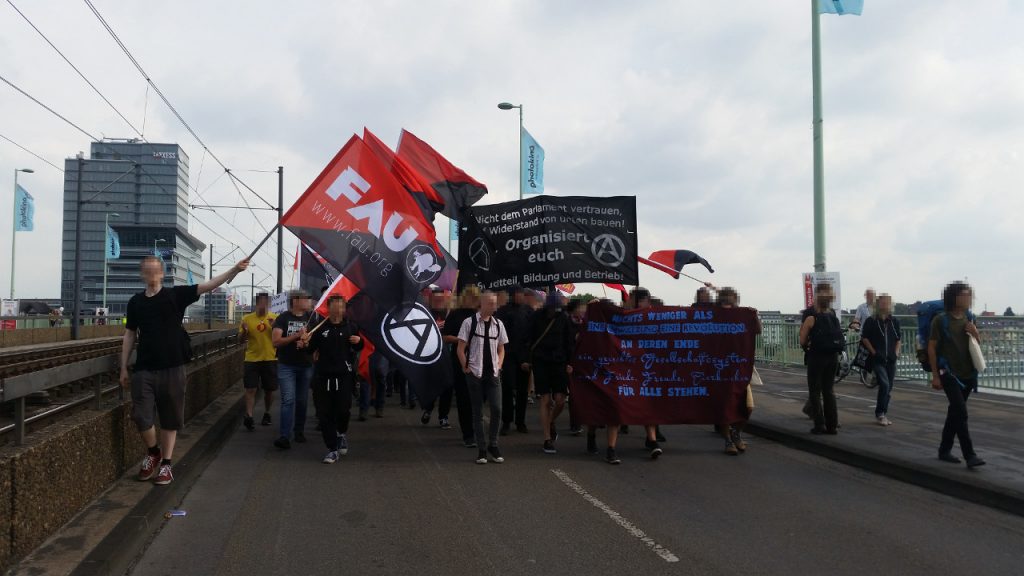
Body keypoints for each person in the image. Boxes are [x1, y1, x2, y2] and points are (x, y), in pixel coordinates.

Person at [119, 255, 249, 485]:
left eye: (155, 270)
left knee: (170, 418)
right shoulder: (135, 302)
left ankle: (166, 465)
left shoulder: (175, 295)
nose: (151, 274)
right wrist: (123, 367)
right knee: (141, 416)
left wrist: (234, 270)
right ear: (142, 275)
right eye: (147, 271)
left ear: (162, 273)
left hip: (173, 367)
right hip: (144, 368)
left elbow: (209, 285)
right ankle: (153, 452)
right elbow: (130, 334)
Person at [929, 282, 985, 468]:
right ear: (953, 297)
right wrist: (935, 376)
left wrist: (975, 333)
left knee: (955, 413)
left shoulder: (970, 318)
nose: (968, 298)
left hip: (968, 374)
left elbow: (977, 344)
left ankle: (944, 450)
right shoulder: (940, 320)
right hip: (949, 373)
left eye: (969, 294)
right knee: (961, 412)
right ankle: (970, 455)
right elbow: (931, 348)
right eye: (964, 295)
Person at [304, 295, 363, 464]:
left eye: (341, 307)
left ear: (344, 309)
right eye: (335, 307)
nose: (338, 310)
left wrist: (359, 341)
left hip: (344, 376)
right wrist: (304, 343)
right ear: (328, 308)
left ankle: (341, 433)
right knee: (324, 413)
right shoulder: (319, 328)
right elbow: (309, 349)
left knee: (343, 410)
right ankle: (332, 449)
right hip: (323, 376)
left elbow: (359, 347)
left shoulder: (351, 327)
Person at [456, 291, 508, 464]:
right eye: (491, 303)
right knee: (477, 411)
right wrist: (465, 367)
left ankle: (493, 444)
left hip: (493, 373)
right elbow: (460, 348)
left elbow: (502, 348)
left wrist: (499, 365)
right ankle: (482, 449)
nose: (494, 307)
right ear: (482, 304)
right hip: (475, 373)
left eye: (495, 304)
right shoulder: (469, 322)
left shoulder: (498, 324)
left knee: (497, 408)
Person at [523, 292, 575, 455]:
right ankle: (547, 439)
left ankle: (550, 421)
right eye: (553, 308)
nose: (555, 310)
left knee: (560, 400)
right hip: (541, 362)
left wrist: (570, 363)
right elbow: (528, 339)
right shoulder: (536, 317)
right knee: (545, 399)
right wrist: (526, 359)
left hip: (559, 362)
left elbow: (569, 342)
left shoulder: (564, 318)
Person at [715, 287, 759, 455]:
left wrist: (754, 316)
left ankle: (736, 433)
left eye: (730, 298)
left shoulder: (742, 315)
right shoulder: (714, 316)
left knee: (748, 406)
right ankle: (728, 440)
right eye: (725, 298)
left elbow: (757, 330)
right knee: (726, 407)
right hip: (720, 369)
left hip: (740, 368)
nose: (728, 302)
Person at [271, 290, 314, 450]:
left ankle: (299, 431)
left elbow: (315, 341)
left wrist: (307, 343)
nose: (309, 301)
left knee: (302, 400)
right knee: (288, 399)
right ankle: (284, 436)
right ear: (295, 300)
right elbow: (276, 341)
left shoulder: (311, 318)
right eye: (306, 298)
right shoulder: (283, 318)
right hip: (286, 365)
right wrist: (296, 336)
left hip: (305, 365)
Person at [799, 282, 843, 435]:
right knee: (829, 391)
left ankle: (820, 424)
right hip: (832, 357)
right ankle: (833, 425)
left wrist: (807, 348)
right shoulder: (833, 317)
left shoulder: (811, 317)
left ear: (816, 299)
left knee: (815, 391)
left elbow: (802, 339)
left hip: (816, 356)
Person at [443, 286, 481, 447]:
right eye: (469, 297)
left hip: (479, 360)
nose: (472, 300)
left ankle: (476, 428)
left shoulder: (481, 315)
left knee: (478, 397)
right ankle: (468, 434)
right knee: (464, 397)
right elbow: (445, 336)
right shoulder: (455, 314)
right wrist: (461, 340)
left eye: (475, 297)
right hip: (460, 359)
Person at [239, 293, 278, 430]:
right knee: (250, 388)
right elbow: (240, 341)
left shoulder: (275, 318)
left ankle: (267, 413)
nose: (263, 306)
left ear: (269, 304)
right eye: (261, 303)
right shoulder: (247, 318)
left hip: (270, 358)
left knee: (269, 390)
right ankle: (249, 416)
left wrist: (274, 327)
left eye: (265, 303)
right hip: (252, 359)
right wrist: (244, 331)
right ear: (256, 304)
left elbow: (280, 338)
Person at [861, 293, 901, 426]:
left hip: (891, 359)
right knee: (884, 384)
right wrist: (873, 352)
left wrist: (896, 353)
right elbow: (864, 338)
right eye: (882, 302)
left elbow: (898, 339)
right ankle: (880, 414)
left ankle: (882, 412)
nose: (885, 304)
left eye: (887, 302)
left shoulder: (894, 321)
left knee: (888, 388)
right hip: (877, 359)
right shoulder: (871, 320)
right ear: (877, 304)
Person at [496, 287, 532, 435]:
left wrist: (528, 358)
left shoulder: (528, 311)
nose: (520, 296)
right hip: (508, 355)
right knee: (508, 388)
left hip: (524, 356)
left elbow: (533, 335)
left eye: (521, 294)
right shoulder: (503, 311)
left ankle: (520, 421)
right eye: (517, 294)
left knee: (523, 390)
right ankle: (506, 421)